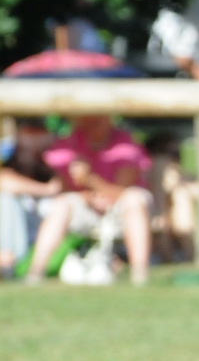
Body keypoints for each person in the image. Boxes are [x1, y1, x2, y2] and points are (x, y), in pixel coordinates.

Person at [23, 115, 153, 285]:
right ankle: (35, 273)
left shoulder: (125, 144)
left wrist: (91, 180)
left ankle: (140, 275)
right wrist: (88, 196)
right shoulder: (69, 144)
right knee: (61, 204)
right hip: (86, 207)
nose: (92, 124)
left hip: (120, 209)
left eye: (97, 118)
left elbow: (123, 191)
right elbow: (64, 188)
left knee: (134, 199)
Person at [0, 120, 61, 278]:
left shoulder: (54, 161)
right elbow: (2, 180)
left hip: (51, 239)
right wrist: (47, 190)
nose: (33, 143)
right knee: (5, 198)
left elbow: (65, 184)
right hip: (19, 238)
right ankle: (8, 260)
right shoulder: (14, 162)